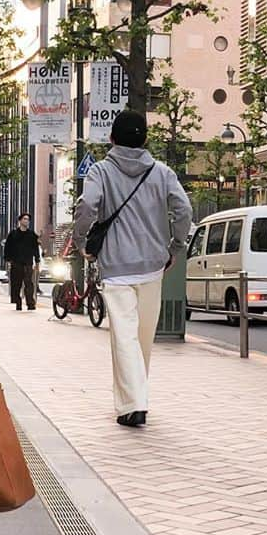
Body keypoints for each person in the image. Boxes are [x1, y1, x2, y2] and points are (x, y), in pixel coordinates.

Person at [73, 110, 192, 428]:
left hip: (117, 268)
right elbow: (184, 209)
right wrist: (176, 247)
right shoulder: (162, 172)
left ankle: (134, 402)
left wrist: (80, 238)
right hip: (154, 266)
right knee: (142, 338)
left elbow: (87, 206)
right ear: (145, 140)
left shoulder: (100, 172)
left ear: (111, 139)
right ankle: (134, 400)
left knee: (124, 337)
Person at [4, 212, 41, 310]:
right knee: (16, 284)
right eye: (24, 219)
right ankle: (18, 302)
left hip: (28, 262)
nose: (26, 221)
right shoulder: (13, 234)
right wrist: (8, 260)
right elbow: (7, 247)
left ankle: (30, 303)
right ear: (20, 221)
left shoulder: (32, 235)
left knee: (29, 284)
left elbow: (35, 249)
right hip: (16, 262)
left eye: (28, 219)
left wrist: (37, 261)